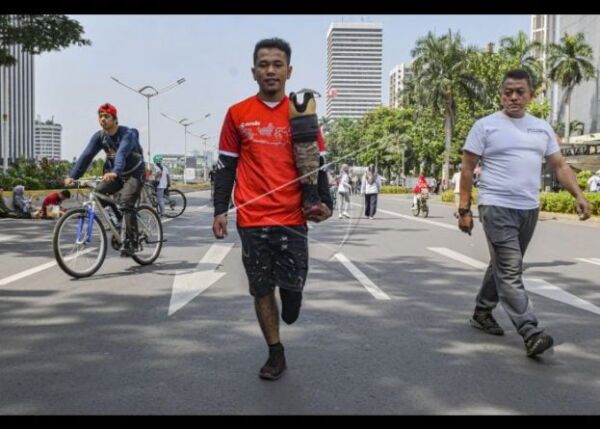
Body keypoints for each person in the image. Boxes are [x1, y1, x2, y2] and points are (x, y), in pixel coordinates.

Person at [212, 38, 332, 381]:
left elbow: (318, 164)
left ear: (288, 71)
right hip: (252, 220)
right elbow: (226, 167)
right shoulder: (237, 113)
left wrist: (326, 203)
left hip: (293, 218)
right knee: (262, 289)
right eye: (263, 64)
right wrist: (220, 210)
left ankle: (292, 296)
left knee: (291, 294)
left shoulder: (302, 113)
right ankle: (275, 352)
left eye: (277, 64)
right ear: (254, 72)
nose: (270, 70)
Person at [458, 69, 591, 358]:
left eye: (520, 92)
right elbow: (467, 168)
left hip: (528, 208)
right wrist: (463, 209)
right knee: (511, 269)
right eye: (508, 92)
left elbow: (559, 166)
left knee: (502, 265)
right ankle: (530, 331)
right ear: (501, 95)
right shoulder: (485, 126)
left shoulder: (541, 128)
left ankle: (482, 312)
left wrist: (578, 195)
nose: (514, 97)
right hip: (495, 205)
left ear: (530, 95)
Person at [64, 103, 146, 257]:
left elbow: (121, 153)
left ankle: (132, 240)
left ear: (115, 119)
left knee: (126, 202)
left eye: (106, 116)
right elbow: (86, 156)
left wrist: (115, 171)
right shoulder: (100, 137)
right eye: (100, 116)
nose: (102, 119)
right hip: (117, 174)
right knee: (98, 193)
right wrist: (72, 176)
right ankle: (119, 221)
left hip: (134, 173)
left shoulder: (127, 134)